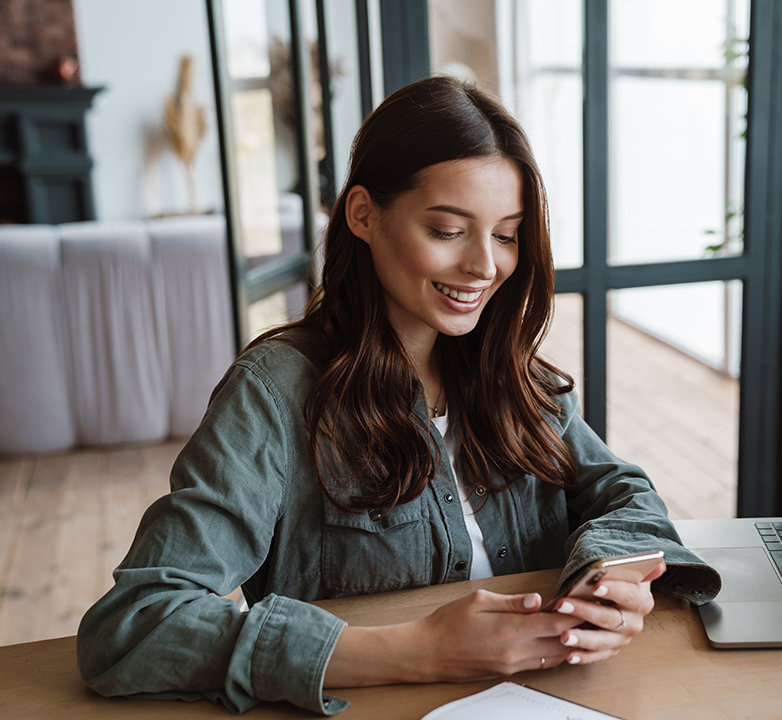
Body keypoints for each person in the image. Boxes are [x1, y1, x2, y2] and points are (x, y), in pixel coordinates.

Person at [77, 75, 720, 715]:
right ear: (362, 214)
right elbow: (133, 626)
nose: (485, 266)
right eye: (447, 231)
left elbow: (626, 494)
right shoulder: (274, 393)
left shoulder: (514, 376)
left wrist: (607, 580)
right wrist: (420, 650)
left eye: (505, 234)